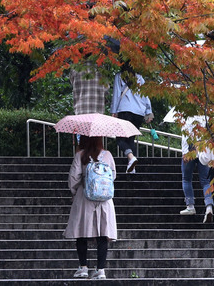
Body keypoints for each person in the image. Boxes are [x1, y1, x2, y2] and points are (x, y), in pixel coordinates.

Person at [64, 135, 117, 280]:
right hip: (104, 199)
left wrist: (75, 192)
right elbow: (113, 176)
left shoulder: (80, 155)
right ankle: (101, 269)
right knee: (103, 234)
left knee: (81, 232)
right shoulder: (108, 155)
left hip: (85, 197)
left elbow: (73, 179)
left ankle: (83, 267)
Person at [110, 67, 154, 173]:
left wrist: (114, 111)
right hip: (138, 112)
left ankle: (131, 157)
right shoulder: (139, 78)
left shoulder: (119, 76)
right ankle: (132, 167)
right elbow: (145, 96)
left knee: (120, 139)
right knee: (130, 139)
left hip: (124, 110)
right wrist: (148, 112)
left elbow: (116, 94)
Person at [179, 116, 213, 223]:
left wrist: (185, 152)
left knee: (186, 179)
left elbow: (185, 136)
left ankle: (190, 206)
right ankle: (209, 206)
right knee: (205, 181)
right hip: (203, 149)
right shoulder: (206, 115)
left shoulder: (187, 116)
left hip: (190, 149)